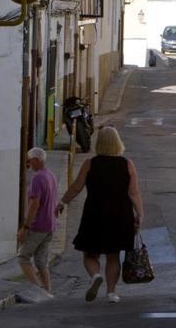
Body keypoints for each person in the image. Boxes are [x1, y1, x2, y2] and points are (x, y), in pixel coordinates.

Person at [57, 126, 144, 304]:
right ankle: (112, 293)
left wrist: (62, 202)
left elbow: (76, 186)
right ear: (117, 143)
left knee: (90, 254)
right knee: (113, 256)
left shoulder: (90, 163)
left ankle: (96, 275)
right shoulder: (127, 164)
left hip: (94, 214)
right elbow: (133, 193)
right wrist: (139, 214)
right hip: (120, 216)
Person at [17, 147, 58, 292]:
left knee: (23, 257)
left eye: (29, 161)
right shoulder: (51, 175)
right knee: (41, 261)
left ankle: (38, 289)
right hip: (50, 224)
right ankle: (47, 291)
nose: (28, 164)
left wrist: (25, 227)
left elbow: (34, 204)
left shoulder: (37, 178)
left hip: (38, 225)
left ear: (35, 160)